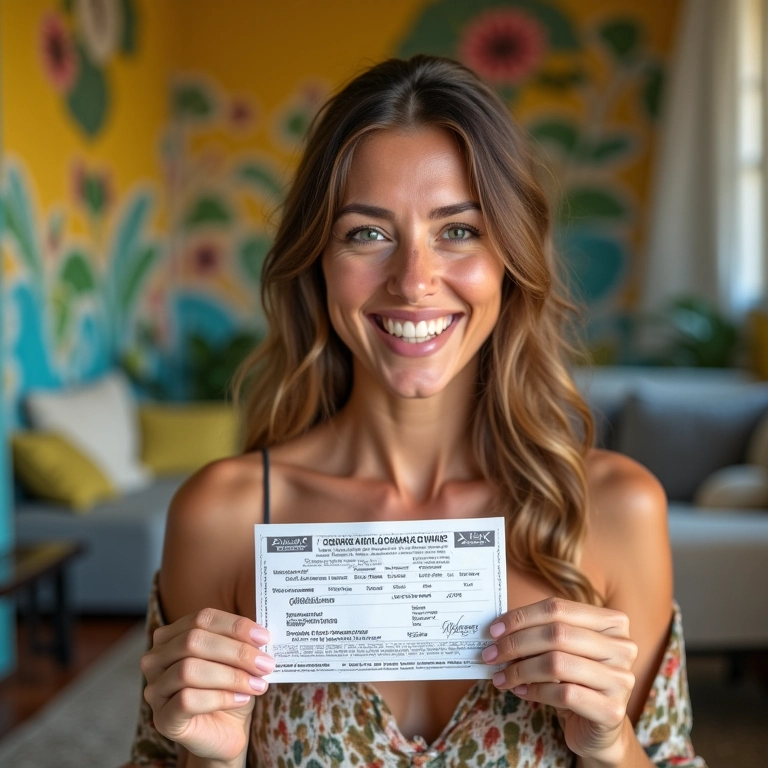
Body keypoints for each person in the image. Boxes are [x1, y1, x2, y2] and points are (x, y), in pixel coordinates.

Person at [126, 56, 707, 768]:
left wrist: (612, 746)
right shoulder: (223, 515)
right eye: (367, 233)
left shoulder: (616, 510)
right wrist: (210, 760)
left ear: (510, 256)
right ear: (319, 260)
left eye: (457, 230)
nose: (413, 281)